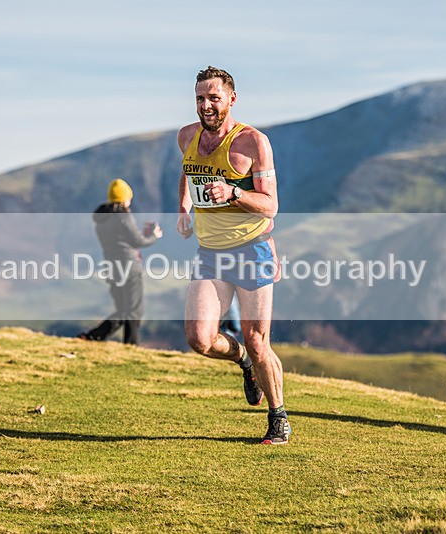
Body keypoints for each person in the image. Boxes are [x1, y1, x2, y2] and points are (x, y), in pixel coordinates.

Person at [177, 66, 290, 445]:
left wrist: (234, 194)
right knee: (200, 339)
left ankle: (278, 418)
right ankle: (241, 360)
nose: (206, 106)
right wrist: (183, 208)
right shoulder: (187, 136)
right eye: (199, 98)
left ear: (231, 99)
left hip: (252, 249)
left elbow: (271, 205)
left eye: (213, 98)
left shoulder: (253, 143)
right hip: (210, 253)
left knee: (259, 340)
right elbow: (187, 171)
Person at [79, 178, 163, 345]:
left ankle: (94, 336)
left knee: (124, 310)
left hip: (112, 268)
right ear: (125, 198)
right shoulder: (123, 216)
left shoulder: (101, 220)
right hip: (129, 267)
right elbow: (137, 241)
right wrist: (154, 235)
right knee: (134, 311)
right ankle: (126, 345)